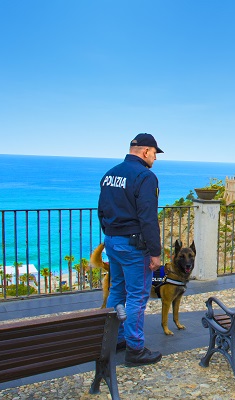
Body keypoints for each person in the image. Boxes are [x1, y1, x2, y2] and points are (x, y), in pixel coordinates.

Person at [98, 133, 164, 366]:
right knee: (137, 296)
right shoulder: (145, 177)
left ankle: (114, 339)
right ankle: (135, 349)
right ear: (146, 151)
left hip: (112, 240)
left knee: (117, 290)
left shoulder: (109, 175)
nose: (155, 159)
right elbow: (148, 217)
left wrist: (110, 235)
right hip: (134, 245)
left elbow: (102, 210)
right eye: (155, 154)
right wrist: (155, 253)